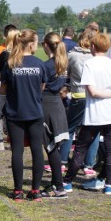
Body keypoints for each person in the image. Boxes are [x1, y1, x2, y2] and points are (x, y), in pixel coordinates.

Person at [63, 33, 111, 195]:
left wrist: (109, 95)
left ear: (93, 47)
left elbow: (92, 92)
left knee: (80, 149)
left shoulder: (90, 65)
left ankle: (68, 181)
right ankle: (109, 185)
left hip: (95, 115)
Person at [0, 29, 47, 202]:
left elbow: (3, 90)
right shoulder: (39, 64)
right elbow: (41, 88)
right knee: (37, 151)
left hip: (15, 113)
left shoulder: (11, 63)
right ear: (33, 44)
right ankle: (36, 191)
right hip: (35, 112)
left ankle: (18, 191)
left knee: (17, 151)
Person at [60, 29, 100, 176]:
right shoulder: (97, 57)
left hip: (78, 94)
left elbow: (65, 74)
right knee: (93, 131)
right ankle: (89, 164)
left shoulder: (72, 55)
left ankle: (63, 161)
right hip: (95, 96)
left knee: (69, 129)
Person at [39, 32, 70, 199]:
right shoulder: (62, 63)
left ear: (45, 45)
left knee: (51, 148)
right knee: (54, 148)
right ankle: (56, 183)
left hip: (47, 106)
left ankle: (58, 186)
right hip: (57, 106)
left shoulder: (46, 66)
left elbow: (40, 88)